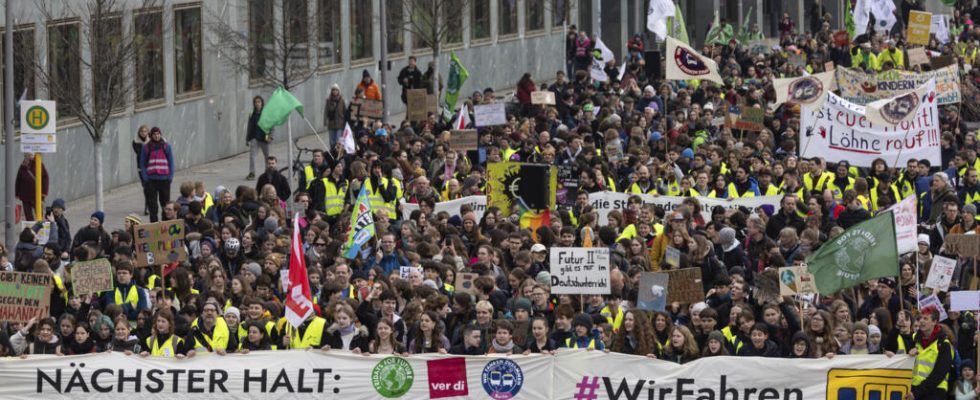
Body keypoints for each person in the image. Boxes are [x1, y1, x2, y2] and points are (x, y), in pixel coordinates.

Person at [909, 307, 953, 400]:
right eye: (920, 318)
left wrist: (917, 392)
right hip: (913, 389)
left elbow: (939, 374)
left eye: (925, 318)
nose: (921, 321)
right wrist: (908, 354)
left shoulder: (944, 344)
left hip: (935, 392)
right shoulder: (913, 339)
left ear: (935, 321)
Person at [139, 127, 175, 223]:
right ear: (151, 135)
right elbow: (142, 163)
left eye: (158, 134)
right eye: (154, 134)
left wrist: (170, 177)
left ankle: (165, 222)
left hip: (164, 180)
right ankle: (154, 224)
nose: (157, 136)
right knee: (152, 206)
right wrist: (145, 178)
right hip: (151, 181)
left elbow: (171, 162)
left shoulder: (166, 146)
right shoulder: (146, 147)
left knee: (165, 205)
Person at [15, 152, 48, 221]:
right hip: (25, 195)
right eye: (27, 155)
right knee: (28, 215)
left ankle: (40, 227)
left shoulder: (39, 164)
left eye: (30, 154)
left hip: (36, 194)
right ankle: (30, 229)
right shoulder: (22, 166)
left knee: (39, 213)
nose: (29, 156)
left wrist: (43, 193)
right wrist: (17, 193)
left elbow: (45, 178)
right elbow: (18, 180)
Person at [245, 96, 271, 180]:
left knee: (267, 156)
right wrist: (247, 138)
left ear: (262, 103)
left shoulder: (266, 113)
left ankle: (268, 171)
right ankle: (252, 172)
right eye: (256, 102)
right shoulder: (252, 113)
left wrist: (271, 136)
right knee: (252, 156)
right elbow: (249, 126)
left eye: (259, 102)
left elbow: (272, 125)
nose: (257, 104)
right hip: (254, 137)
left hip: (264, 138)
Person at [133, 125, 151, 215]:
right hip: (141, 167)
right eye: (142, 131)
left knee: (151, 187)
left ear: (148, 132)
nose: (144, 133)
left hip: (151, 167)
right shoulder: (136, 142)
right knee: (145, 187)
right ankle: (147, 206)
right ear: (139, 132)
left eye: (145, 131)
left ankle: (150, 204)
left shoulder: (151, 141)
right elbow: (140, 152)